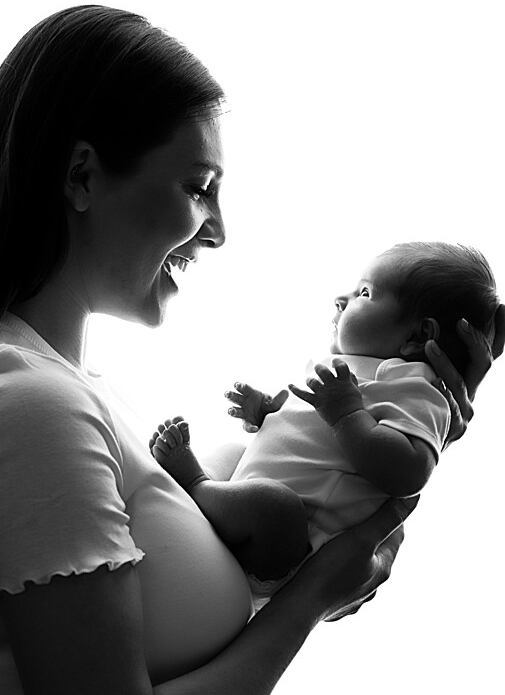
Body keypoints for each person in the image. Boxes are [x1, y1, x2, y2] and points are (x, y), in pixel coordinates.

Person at [0, 7, 501, 695]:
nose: (219, 231)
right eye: (199, 188)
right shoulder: (21, 412)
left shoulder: (64, 392)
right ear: (82, 176)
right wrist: (313, 591)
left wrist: (418, 411)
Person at [150, 242, 501, 608]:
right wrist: (267, 411)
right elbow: (305, 428)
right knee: (232, 454)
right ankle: (204, 498)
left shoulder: (416, 386)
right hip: (258, 511)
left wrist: (347, 415)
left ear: (416, 337)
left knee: (276, 505)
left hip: (295, 545)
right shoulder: (352, 368)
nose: (341, 298)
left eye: (365, 293)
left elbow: (411, 472)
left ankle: (195, 485)